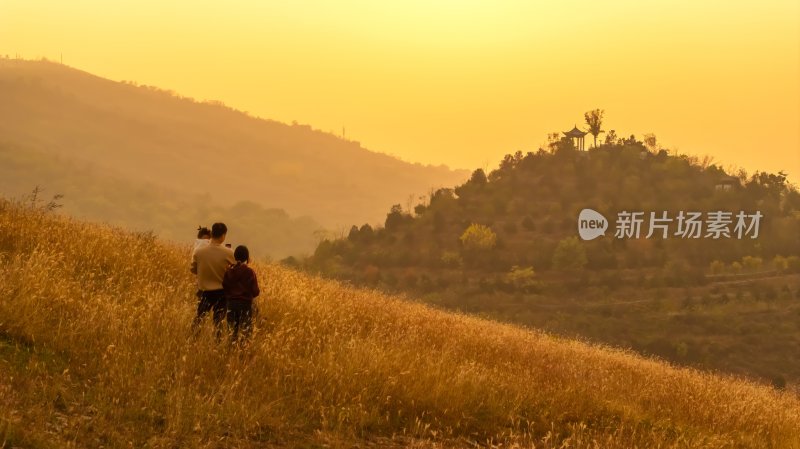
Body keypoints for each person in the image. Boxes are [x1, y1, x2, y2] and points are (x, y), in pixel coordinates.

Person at [191, 222, 235, 332]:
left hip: (204, 291)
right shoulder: (228, 252)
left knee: (199, 317)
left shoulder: (199, 252)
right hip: (221, 292)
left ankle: (192, 340)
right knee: (218, 321)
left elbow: (193, 269)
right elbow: (236, 268)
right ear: (223, 235)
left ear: (212, 233)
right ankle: (217, 343)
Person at [223, 245, 260, 343]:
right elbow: (256, 291)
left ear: (235, 257)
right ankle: (242, 355)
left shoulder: (229, 272)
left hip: (231, 304)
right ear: (247, 258)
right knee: (245, 333)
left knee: (232, 333)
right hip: (245, 305)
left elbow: (225, 288)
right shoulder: (250, 272)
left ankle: (230, 353)